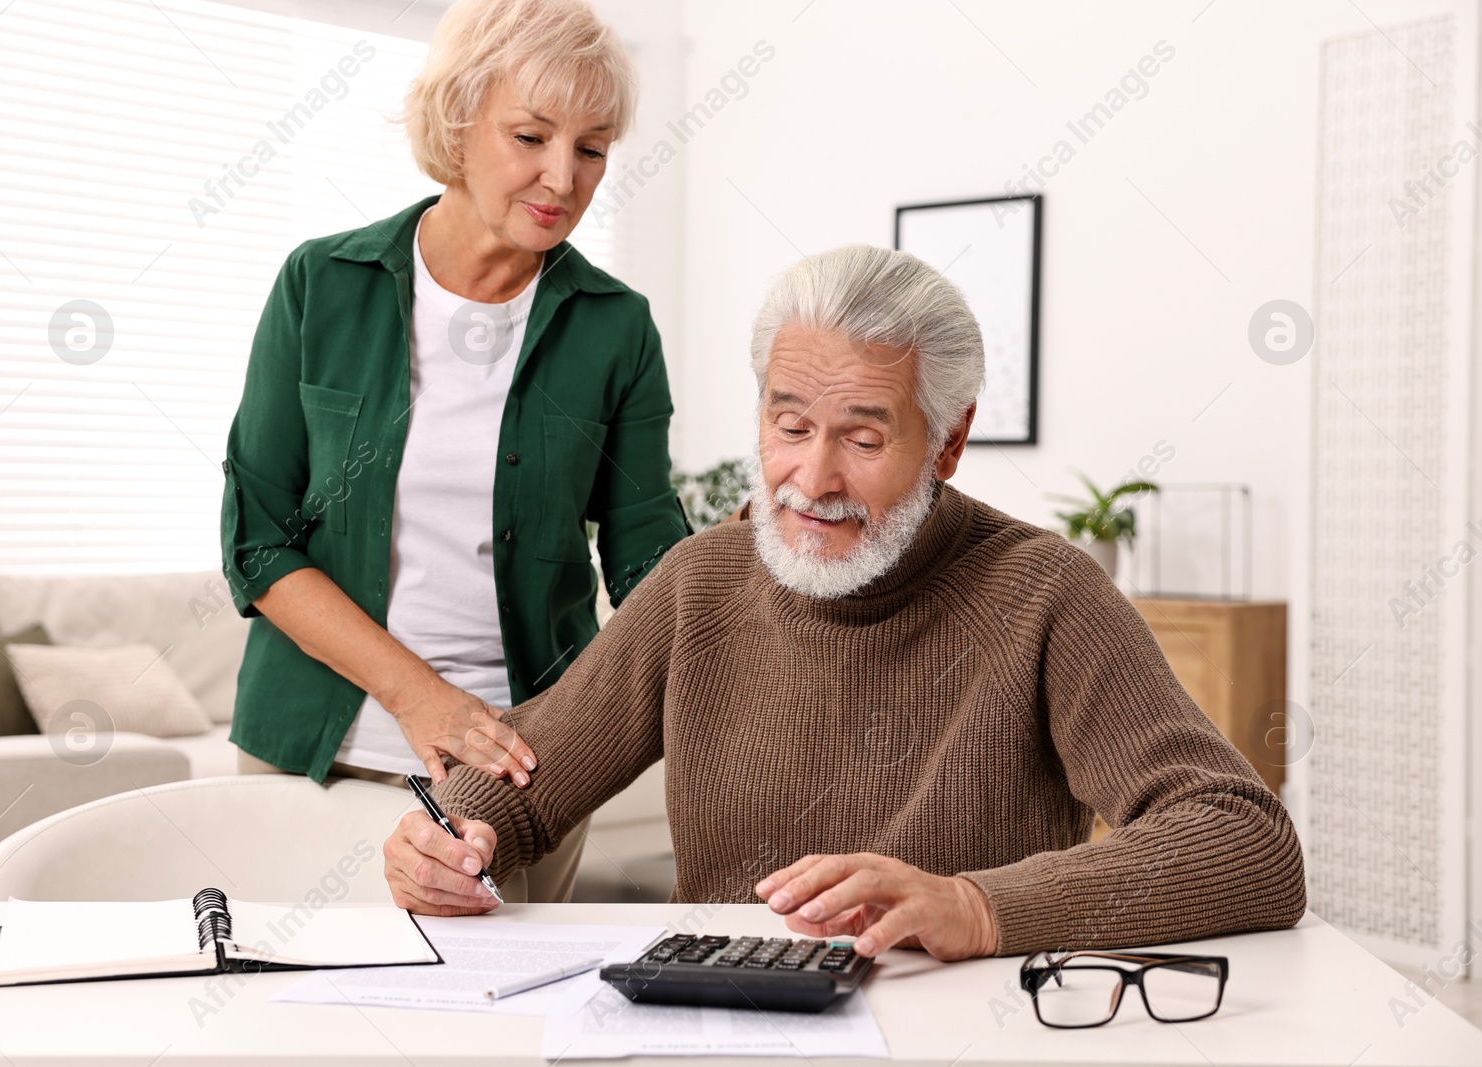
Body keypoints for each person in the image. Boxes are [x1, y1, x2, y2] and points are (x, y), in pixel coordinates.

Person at [381, 244, 1307, 958]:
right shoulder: (702, 579)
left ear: (948, 441)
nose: (811, 478)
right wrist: (455, 834)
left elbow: (1246, 840)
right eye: (789, 427)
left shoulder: (1044, 593)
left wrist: (979, 907)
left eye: (863, 439)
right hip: (723, 1018)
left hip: (956, 1027)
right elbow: (530, 779)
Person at [219, 0, 689, 904]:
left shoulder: (616, 326)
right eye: (530, 135)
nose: (563, 175)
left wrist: (736, 582)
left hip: (519, 775)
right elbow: (258, 538)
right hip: (313, 754)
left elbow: (644, 554)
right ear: (459, 122)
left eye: (592, 148)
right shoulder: (323, 283)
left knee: (501, 1032)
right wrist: (419, 698)